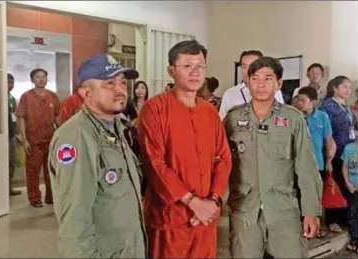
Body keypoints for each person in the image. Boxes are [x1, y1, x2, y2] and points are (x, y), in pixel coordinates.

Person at [138, 39, 232, 258]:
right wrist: (192, 202)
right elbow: (154, 163)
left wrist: (213, 200)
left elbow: (224, 158)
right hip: (171, 217)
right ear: (171, 70)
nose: (195, 72)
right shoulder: (154, 109)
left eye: (200, 66)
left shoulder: (209, 112)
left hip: (206, 216)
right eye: (187, 66)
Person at [48, 54, 146, 258]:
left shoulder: (115, 128)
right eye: (109, 83)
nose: (120, 90)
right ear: (86, 92)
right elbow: (74, 219)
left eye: (122, 82)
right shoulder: (77, 136)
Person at [224, 57, 322, 258]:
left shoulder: (293, 118)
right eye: (255, 78)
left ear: (279, 83)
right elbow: (221, 163)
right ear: (248, 82)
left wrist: (311, 211)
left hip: (284, 210)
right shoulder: (233, 118)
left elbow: (306, 167)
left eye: (268, 78)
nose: (261, 84)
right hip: (244, 210)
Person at [15, 68, 60, 207]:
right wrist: (24, 139)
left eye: (43, 76)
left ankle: (50, 197)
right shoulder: (26, 96)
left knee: (51, 171)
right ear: (32, 80)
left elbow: (57, 117)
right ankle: (34, 198)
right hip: (33, 141)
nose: (41, 79)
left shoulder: (53, 96)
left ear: (47, 79)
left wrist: (62, 134)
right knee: (33, 171)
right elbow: (20, 117)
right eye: (37, 77)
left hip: (51, 140)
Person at [295, 86, 336, 238]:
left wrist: (329, 161)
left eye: (302, 100)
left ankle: (316, 227)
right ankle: (300, 227)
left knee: (316, 197)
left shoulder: (322, 117)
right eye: (297, 100)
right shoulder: (295, 116)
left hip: (317, 163)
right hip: (296, 165)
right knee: (299, 196)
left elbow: (328, 140)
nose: (299, 103)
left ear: (312, 102)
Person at [319, 76, 353, 233]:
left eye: (349, 87)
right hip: (335, 152)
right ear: (335, 88)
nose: (348, 90)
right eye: (345, 86)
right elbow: (325, 131)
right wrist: (329, 155)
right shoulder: (328, 106)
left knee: (347, 185)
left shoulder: (345, 106)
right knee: (335, 184)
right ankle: (333, 220)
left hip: (348, 151)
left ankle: (346, 217)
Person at [219, 50, 284, 120]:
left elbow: (281, 116)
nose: (247, 71)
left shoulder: (274, 91)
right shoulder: (230, 94)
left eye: (252, 65)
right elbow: (221, 122)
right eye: (244, 67)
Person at [342, 123, 358, 253]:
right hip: (353, 188)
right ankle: (355, 240)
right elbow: (345, 167)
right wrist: (348, 183)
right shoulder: (349, 148)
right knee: (353, 214)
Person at [7, 73, 21, 196]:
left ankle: (8, 188)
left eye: (12, 83)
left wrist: (18, 133)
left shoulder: (11, 98)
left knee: (11, 162)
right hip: (1, 135)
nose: (10, 85)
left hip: (11, 134)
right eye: (8, 82)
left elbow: (14, 117)